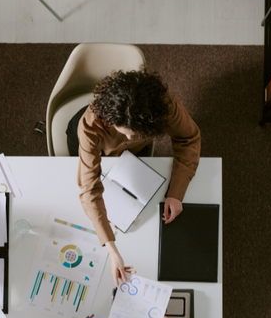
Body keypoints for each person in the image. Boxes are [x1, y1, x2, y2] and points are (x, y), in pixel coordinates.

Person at [67, 70, 201, 286]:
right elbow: (89, 188)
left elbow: (188, 138)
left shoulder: (167, 107)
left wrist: (177, 192)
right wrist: (111, 248)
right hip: (88, 143)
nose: (129, 138)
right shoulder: (90, 124)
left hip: (133, 154)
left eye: (136, 133)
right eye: (125, 132)